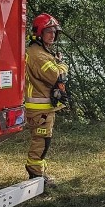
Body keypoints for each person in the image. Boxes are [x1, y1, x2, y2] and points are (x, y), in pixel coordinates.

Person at [24, 13, 69, 188]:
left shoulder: (39, 52)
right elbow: (57, 76)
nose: (52, 35)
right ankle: (35, 175)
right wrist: (62, 65)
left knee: (44, 141)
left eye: (54, 32)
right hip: (40, 109)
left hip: (43, 107)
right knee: (41, 141)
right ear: (39, 33)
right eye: (48, 31)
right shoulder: (38, 55)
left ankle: (39, 172)